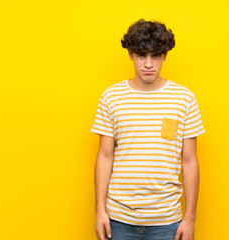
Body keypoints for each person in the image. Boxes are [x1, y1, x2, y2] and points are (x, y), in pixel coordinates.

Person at [91, 19, 205, 240]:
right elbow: (105, 156)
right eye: (142, 55)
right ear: (131, 55)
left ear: (164, 56)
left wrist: (190, 218)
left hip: (167, 221)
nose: (149, 64)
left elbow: (189, 160)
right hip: (118, 220)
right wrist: (99, 211)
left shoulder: (184, 99)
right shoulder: (111, 97)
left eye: (156, 56)